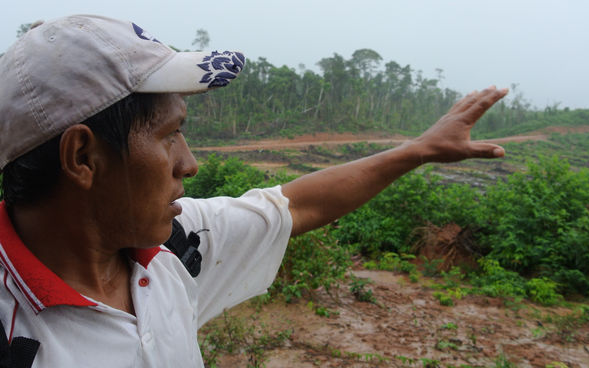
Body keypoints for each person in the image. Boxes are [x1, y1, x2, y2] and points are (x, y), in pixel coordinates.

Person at [0, 15, 507, 367]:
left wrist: (417, 150)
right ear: (83, 158)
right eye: (167, 134)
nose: (190, 163)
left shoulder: (176, 246)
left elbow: (296, 203)